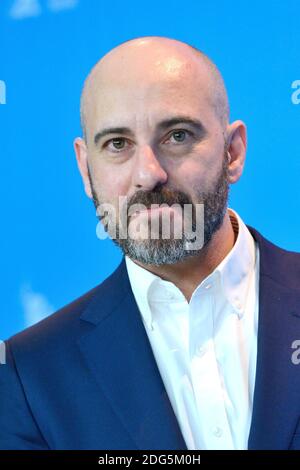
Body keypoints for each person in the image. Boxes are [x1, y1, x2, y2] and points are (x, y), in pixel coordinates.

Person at [0, 36, 300, 451]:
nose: (149, 174)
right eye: (117, 144)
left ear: (233, 152)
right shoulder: (30, 374)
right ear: (86, 170)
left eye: (177, 135)